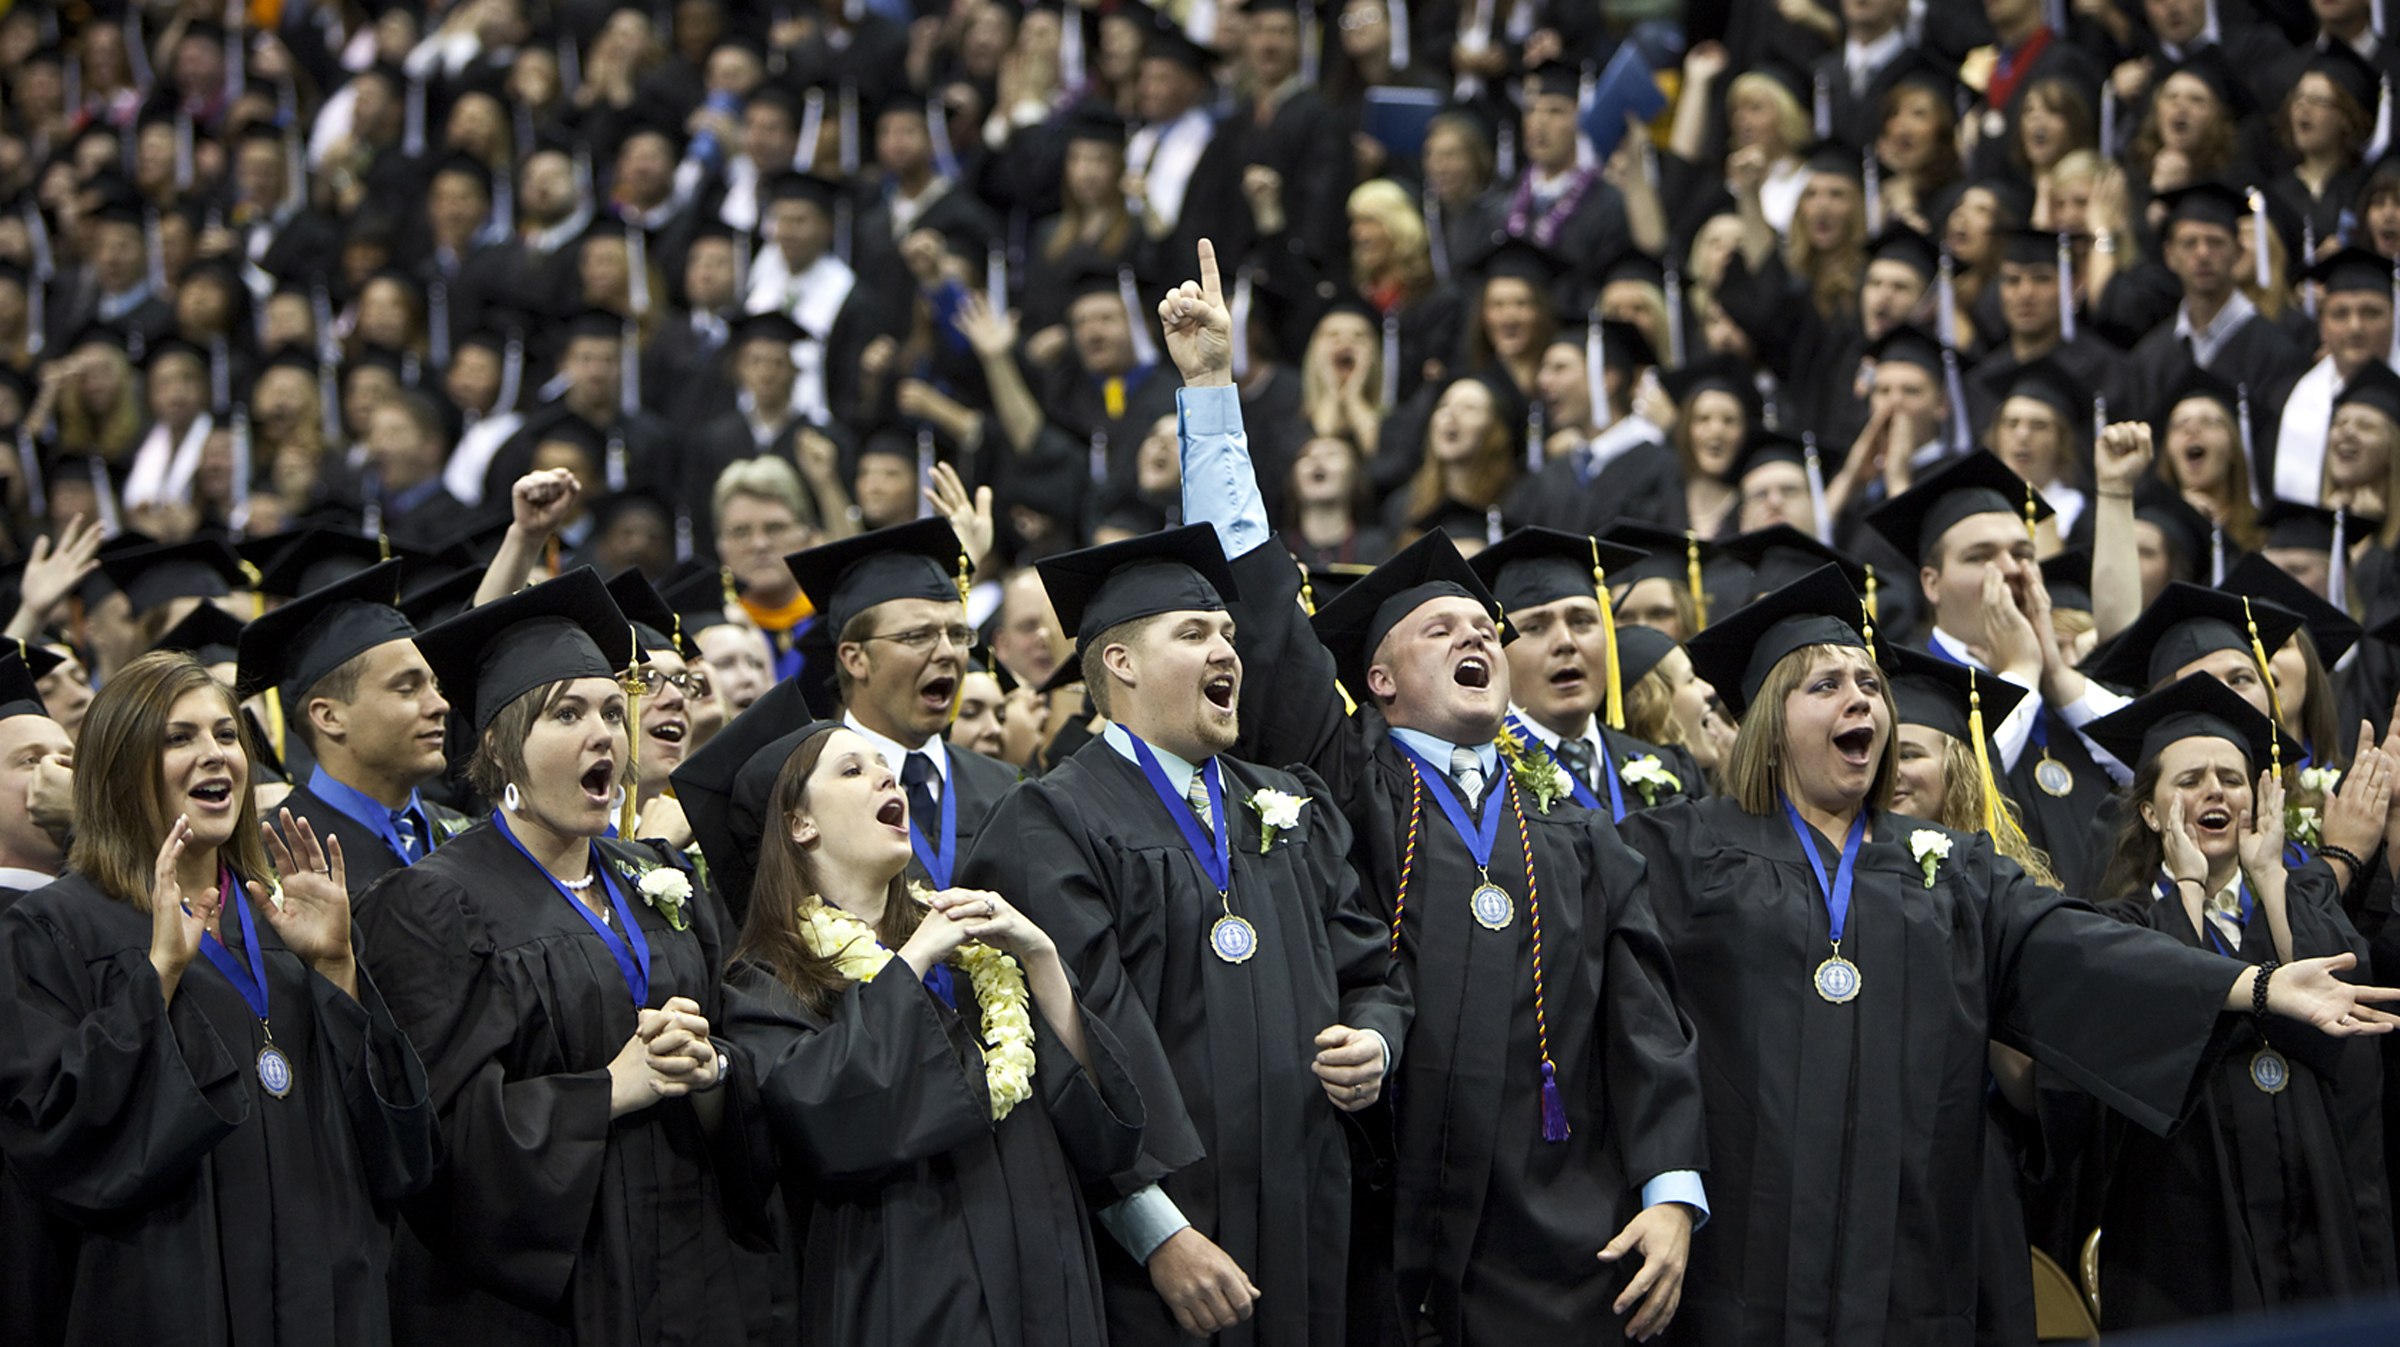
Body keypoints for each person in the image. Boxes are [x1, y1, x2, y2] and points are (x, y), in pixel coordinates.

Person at [1618, 564, 2400, 1345]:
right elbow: (1630, 1016)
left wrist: (2251, 984)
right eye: (1825, 685)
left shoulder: (1952, 868)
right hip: (1744, 1250)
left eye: (1868, 682)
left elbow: (2084, 947)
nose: (1860, 697)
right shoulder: (1681, 850)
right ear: (1767, 720)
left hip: (1909, 1252)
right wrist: (1666, 1183)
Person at [1164, 242, 1708, 1342]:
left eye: (1481, 628)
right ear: (1377, 680)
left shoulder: (1572, 819)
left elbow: (1646, 1020)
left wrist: (1670, 1194)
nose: (1475, 635)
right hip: (1382, 1211)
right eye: (1438, 628)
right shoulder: (1340, 780)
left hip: (1558, 1232)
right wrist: (1212, 393)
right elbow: (1265, 618)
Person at [958, 524, 1410, 1346]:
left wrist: (1376, 1041)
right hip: (1157, 1244)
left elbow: (1372, 969)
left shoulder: (1288, 804)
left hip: (1310, 1209)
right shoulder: (1051, 819)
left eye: (1230, 635)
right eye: (1194, 633)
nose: (1226, 651)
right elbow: (1076, 1035)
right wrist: (1156, 1231)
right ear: (1121, 662)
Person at [352, 569, 766, 1347]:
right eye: (566, 712)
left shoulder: (654, 878)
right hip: (543, 1299)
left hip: (690, 1267)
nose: (603, 732)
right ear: (500, 747)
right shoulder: (434, 902)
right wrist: (611, 1087)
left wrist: (710, 1073)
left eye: (614, 709)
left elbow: (743, 1050)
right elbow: (434, 1138)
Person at [0, 649, 436, 1344]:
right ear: (120, 763)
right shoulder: (55, 927)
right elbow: (50, 1139)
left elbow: (400, 1155)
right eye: (180, 737)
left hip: (330, 1302)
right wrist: (157, 976)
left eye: (227, 734)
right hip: (167, 1302)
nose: (216, 754)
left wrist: (335, 969)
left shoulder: (283, 918)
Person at [717, 719, 1146, 1345]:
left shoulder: (973, 953)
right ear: (799, 825)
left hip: (1044, 1263)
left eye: (880, 764)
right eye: (852, 770)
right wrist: (909, 964)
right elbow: (825, 1121)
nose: (886, 774)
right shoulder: (768, 980)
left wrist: (1042, 957)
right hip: (908, 1282)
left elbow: (1092, 1130)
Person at [2082, 675, 2400, 1324]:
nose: (2214, 790)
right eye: (2190, 779)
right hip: (2180, 1217)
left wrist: (2273, 877)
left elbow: (2341, 1024)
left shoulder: (2289, 902)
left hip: (2311, 1205)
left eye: (2231, 776)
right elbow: (2168, 1024)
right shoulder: (2120, 925)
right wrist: (2190, 893)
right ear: (2149, 810)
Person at [784, 515, 1023, 899]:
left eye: (959, 635)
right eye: (917, 636)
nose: (948, 653)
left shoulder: (1008, 788)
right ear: (855, 659)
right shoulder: (801, 791)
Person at [231, 554, 466, 898]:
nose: (440, 705)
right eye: (407, 688)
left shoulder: (463, 834)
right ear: (329, 717)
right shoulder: (273, 865)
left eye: (436, 686)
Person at [1472, 527, 1706, 821]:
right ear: (1497, 649)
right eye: (1535, 627)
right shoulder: (1479, 779)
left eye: (1582, 621)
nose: (1566, 642)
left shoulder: (1668, 769)